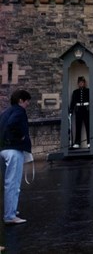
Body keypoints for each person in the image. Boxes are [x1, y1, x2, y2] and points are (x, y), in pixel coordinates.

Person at [0, 89, 32, 225]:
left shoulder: (5, 112)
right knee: (13, 184)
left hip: (3, 149)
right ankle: (10, 215)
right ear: (21, 101)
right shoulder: (19, 111)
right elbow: (12, 125)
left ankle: (11, 210)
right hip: (14, 150)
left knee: (8, 183)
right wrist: (21, 136)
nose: (28, 104)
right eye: (27, 101)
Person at [69, 76, 90, 149]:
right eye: (80, 82)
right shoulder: (75, 92)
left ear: (84, 83)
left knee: (88, 126)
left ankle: (89, 142)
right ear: (78, 83)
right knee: (78, 126)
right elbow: (73, 102)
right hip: (78, 110)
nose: (81, 84)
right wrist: (71, 110)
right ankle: (77, 142)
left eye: (82, 82)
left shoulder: (88, 91)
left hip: (86, 109)